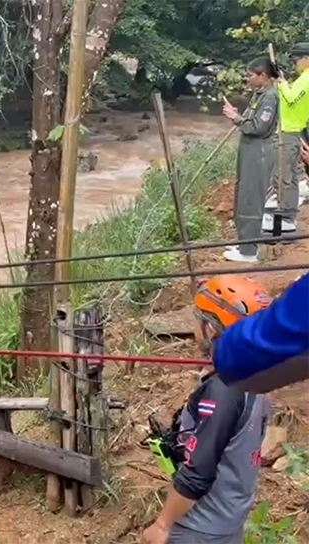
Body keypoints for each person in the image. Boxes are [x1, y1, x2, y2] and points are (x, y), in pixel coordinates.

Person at [141, 276, 270, 544]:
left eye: (199, 320)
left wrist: (163, 525)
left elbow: (198, 473)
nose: (195, 330)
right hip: (229, 523)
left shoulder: (223, 389)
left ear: (212, 329)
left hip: (200, 530)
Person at [221, 58, 278, 263]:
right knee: (243, 194)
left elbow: (257, 127)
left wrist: (235, 118)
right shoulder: (259, 94)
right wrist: (237, 115)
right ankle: (244, 242)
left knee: (251, 198)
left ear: (263, 75)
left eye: (250, 75)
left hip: (258, 152)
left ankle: (249, 252)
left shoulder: (270, 98)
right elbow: (249, 120)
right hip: (249, 150)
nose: (248, 79)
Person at [263, 43, 309, 235]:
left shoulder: (307, 79)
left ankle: (287, 219)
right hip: (287, 129)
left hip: (292, 130)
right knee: (282, 176)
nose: (295, 63)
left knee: (285, 177)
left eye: (297, 59)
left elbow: (290, 98)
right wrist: (282, 80)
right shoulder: (302, 79)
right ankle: (282, 220)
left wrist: (281, 84)